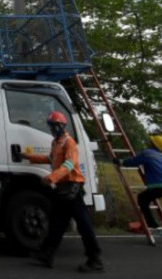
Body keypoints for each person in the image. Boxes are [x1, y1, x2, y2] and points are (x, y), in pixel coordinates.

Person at [21, 111, 104, 273]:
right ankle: (46, 255)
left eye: (53, 126)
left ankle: (95, 259)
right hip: (63, 189)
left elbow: (69, 164)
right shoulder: (56, 143)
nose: (52, 129)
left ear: (61, 125)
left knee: (84, 225)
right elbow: (50, 159)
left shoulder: (69, 142)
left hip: (72, 188)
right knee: (57, 223)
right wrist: (28, 157)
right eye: (50, 126)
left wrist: (51, 177)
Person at [113, 135, 162, 251]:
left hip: (159, 185)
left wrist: (119, 161)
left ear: (153, 144)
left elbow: (133, 162)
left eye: (151, 141)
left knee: (142, 198)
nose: (148, 142)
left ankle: (151, 221)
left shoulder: (147, 153)